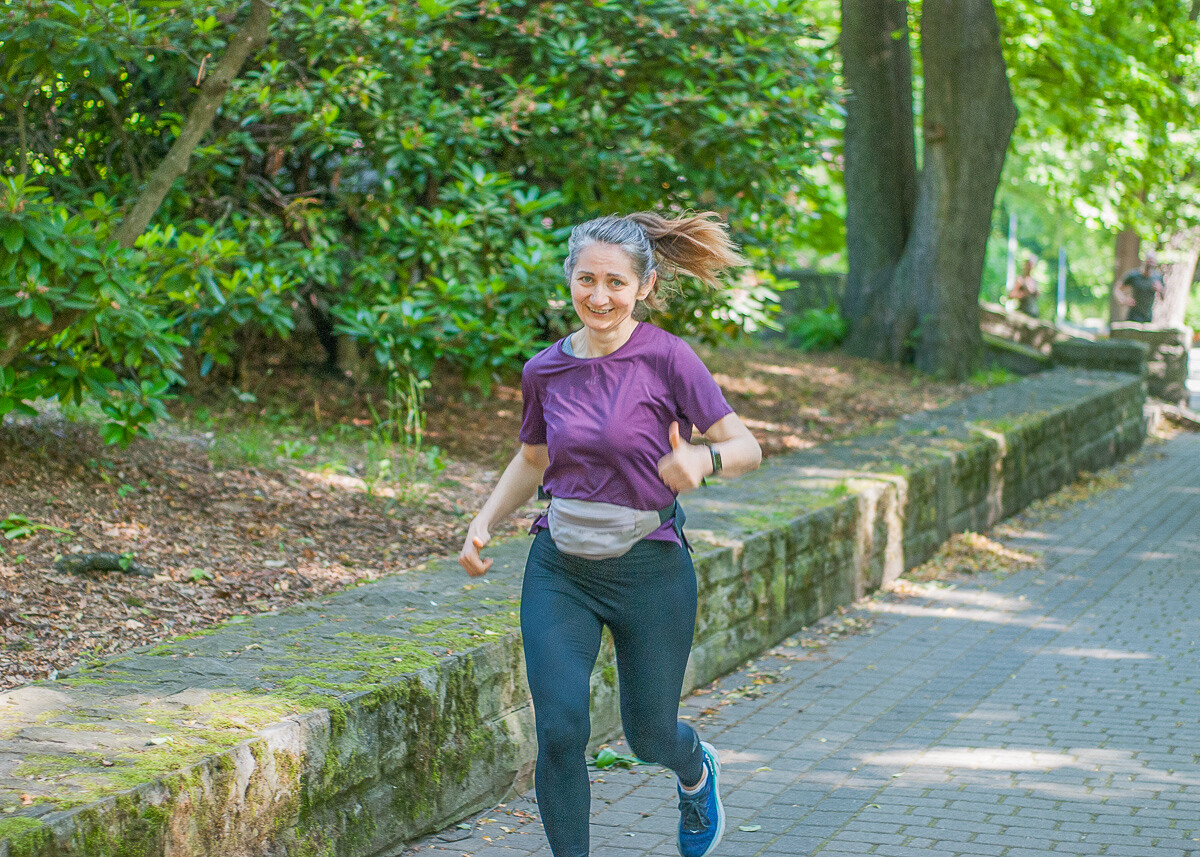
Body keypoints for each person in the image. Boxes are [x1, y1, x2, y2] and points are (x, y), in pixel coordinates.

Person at [459, 212, 762, 857]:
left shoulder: (667, 357)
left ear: (644, 287)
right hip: (561, 568)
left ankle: (694, 770)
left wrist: (700, 462)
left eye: (616, 283)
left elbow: (745, 447)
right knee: (561, 732)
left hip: (649, 567)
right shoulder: (544, 370)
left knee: (648, 734)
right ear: (569, 280)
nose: (600, 296)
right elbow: (533, 459)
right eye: (587, 279)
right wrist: (486, 520)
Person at [1118, 250, 1165, 324]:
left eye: (1152, 261)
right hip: (1133, 316)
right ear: (1144, 260)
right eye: (1149, 260)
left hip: (1148, 316)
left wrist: (1160, 289)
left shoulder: (1157, 278)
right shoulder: (1134, 275)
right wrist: (1123, 300)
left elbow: (1163, 297)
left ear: (1155, 263)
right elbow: (1118, 289)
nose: (1150, 263)